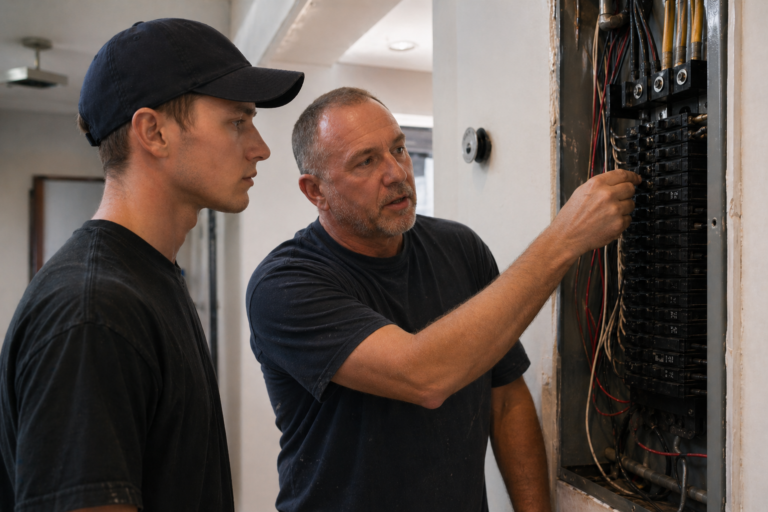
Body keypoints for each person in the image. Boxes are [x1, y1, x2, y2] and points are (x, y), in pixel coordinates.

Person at [246, 87, 640, 511]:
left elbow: (505, 401)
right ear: (315, 191)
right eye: (366, 161)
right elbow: (422, 376)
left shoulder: (459, 248)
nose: (396, 172)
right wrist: (564, 238)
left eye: (398, 149)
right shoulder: (284, 285)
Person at [0, 18, 303, 512]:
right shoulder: (94, 309)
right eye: (237, 121)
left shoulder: (147, 279)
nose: (261, 148)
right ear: (153, 132)